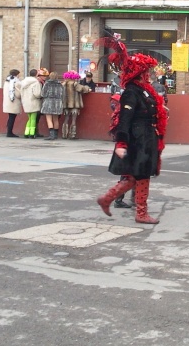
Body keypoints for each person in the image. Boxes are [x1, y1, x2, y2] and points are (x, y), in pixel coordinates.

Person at [96, 36, 168, 224]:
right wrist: (121, 142)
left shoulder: (145, 90)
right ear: (139, 73)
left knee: (135, 176)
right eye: (147, 71)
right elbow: (125, 118)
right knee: (140, 175)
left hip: (146, 137)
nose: (149, 74)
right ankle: (140, 213)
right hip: (138, 139)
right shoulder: (131, 91)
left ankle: (107, 199)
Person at [61, 71, 90, 139]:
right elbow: (84, 89)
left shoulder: (63, 84)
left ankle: (64, 134)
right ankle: (72, 135)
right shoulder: (75, 84)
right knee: (73, 120)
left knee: (66, 119)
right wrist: (88, 88)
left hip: (66, 105)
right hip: (75, 105)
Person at [41, 71, 64, 140]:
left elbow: (43, 94)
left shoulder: (47, 84)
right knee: (55, 119)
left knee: (49, 119)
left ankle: (51, 135)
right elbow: (63, 95)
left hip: (48, 102)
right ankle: (56, 135)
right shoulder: (60, 84)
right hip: (57, 103)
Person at [20, 69, 43, 138]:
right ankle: (32, 133)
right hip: (33, 102)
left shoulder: (23, 82)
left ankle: (26, 133)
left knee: (29, 118)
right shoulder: (36, 83)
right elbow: (37, 94)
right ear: (36, 74)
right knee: (33, 119)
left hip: (26, 102)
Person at [2, 69, 22, 137]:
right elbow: (18, 94)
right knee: (12, 117)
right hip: (13, 102)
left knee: (10, 117)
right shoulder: (15, 82)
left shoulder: (7, 81)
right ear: (17, 74)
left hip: (7, 102)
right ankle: (9, 132)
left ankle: (9, 131)